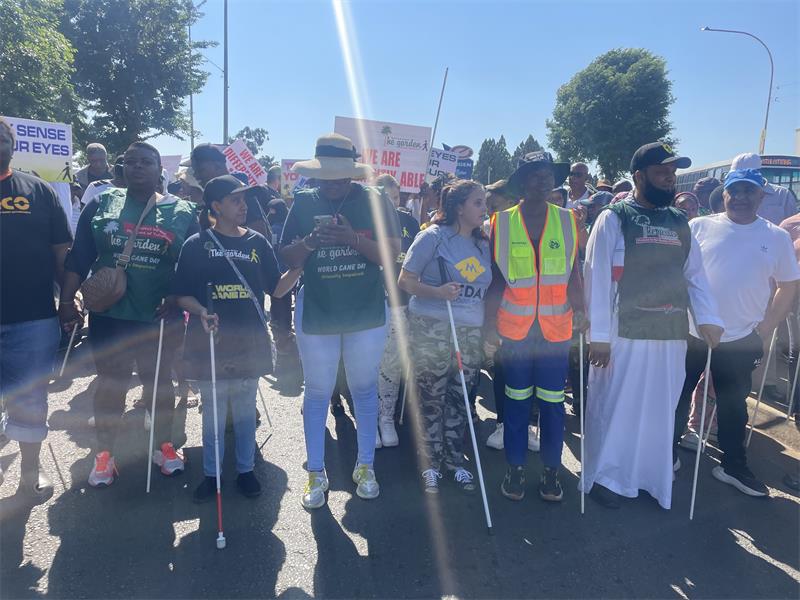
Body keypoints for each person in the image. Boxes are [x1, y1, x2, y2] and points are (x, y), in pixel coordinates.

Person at [581, 142, 723, 510]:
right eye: (662, 173)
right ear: (640, 177)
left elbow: (695, 277)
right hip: (621, 332)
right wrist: (597, 336)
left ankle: (648, 477)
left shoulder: (680, 222)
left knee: (659, 409)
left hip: (670, 333)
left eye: (672, 174)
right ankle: (607, 477)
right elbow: (595, 277)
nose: (669, 179)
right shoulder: (614, 217)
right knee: (618, 404)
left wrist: (707, 319)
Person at [59, 142, 197, 487]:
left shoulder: (182, 210)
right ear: (121, 168)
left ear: (158, 169)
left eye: (146, 162)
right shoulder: (102, 203)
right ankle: (104, 454)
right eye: (130, 162)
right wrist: (66, 300)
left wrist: (177, 293)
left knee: (159, 384)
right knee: (111, 384)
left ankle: (164, 446)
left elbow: (194, 261)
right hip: (111, 314)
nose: (137, 168)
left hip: (158, 316)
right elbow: (79, 257)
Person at [279, 133, 400, 509]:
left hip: (366, 312)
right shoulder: (301, 202)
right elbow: (285, 256)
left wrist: (352, 239)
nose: (332, 184)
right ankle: (316, 471)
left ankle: (366, 466)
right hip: (317, 312)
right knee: (317, 391)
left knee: (364, 389)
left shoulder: (375, 200)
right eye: (325, 176)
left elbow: (393, 255)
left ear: (353, 175)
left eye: (340, 177)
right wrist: (312, 242)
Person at [674, 168, 800, 497]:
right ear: (725, 194)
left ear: (761, 196)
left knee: (733, 405)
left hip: (741, 338)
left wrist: (764, 328)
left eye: (749, 191)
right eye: (735, 191)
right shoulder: (699, 226)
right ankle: (666, 452)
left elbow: (788, 286)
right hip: (692, 331)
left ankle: (733, 466)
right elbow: (678, 273)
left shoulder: (776, 237)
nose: (741, 197)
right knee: (677, 394)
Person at [173, 175, 282, 500]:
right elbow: (181, 295)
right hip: (211, 344)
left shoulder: (257, 243)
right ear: (216, 206)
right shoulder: (196, 244)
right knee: (213, 417)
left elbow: (276, 288)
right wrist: (202, 311)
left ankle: (246, 471)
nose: (243, 205)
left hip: (249, 343)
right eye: (235, 200)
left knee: (246, 413)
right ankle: (211, 475)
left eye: (244, 199)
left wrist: (302, 264)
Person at [485, 151, 585, 503]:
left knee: (553, 404)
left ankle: (550, 471)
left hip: (556, 331)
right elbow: (495, 280)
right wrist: (487, 327)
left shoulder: (569, 221)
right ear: (522, 183)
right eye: (534, 176)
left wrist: (583, 311)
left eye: (547, 175)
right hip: (515, 331)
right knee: (516, 402)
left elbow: (574, 272)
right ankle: (514, 467)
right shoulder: (500, 223)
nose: (542, 181)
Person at [398, 180, 490, 493]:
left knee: (460, 397)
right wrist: (436, 292)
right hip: (432, 327)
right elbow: (406, 281)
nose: (484, 209)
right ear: (459, 207)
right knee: (431, 398)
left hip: (469, 331)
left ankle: (455, 461)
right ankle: (430, 463)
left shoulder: (484, 242)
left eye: (485, 202)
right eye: (478, 202)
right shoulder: (432, 238)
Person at [0, 118, 73, 495]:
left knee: (30, 399)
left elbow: (61, 250)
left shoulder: (38, 190)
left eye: (2, 138)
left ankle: (30, 471)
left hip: (33, 317)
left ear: (12, 146)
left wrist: (69, 299)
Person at [375, 173, 420, 447]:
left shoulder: (410, 222)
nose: (389, 203)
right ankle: (368, 418)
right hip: (369, 303)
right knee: (368, 366)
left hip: (401, 303)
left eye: (393, 197)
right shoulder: (365, 220)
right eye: (383, 197)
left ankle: (386, 417)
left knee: (392, 364)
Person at [731, 153, 798, 226]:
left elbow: (792, 225)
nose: (741, 178)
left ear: (759, 172)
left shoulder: (783, 194)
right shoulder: (729, 193)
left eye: (746, 175)